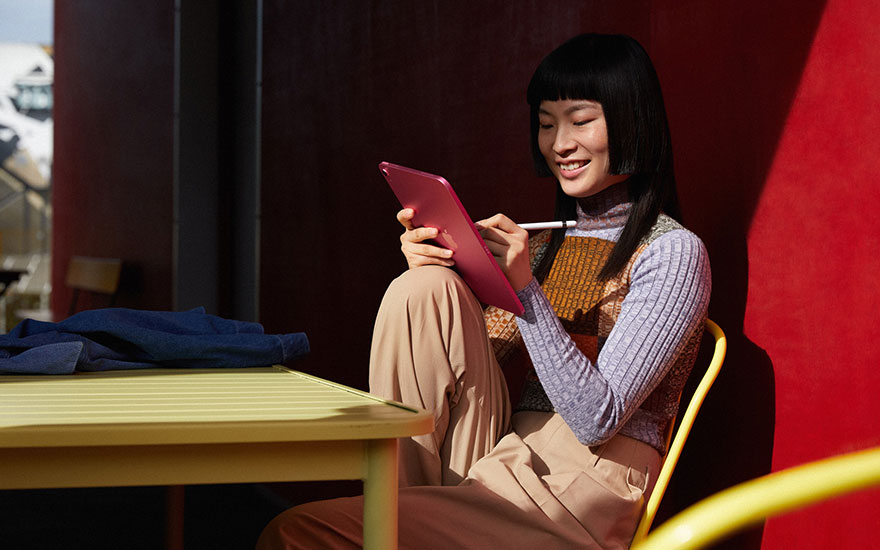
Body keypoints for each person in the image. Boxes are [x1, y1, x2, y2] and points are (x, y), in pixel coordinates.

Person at [257, 32, 710, 550]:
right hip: (503, 457)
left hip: (579, 492)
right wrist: (441, 272)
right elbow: (463, 363)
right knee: (422, 289)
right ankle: (395, 505)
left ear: (634, 120)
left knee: (292, 532)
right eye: (545, 124)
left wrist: (525, 289)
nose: (559, 143)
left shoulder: (673, 252)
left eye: (581, 121)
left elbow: (596, 419)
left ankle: (393, 526)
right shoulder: (543, 245)